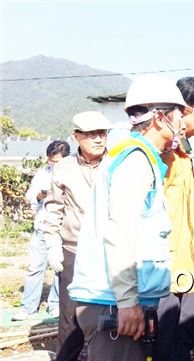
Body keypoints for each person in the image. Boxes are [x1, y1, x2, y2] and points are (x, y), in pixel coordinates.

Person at [67, 75, 185, 361]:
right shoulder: (135, 161)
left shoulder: (137, 157)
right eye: (179, 115)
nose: (182, 123)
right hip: (112, 303)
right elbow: (120, 232)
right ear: (160, 118)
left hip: (115, 301)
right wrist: (128, 302)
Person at [42, 111, 111, 361]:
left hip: (110, 251)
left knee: (110, 317)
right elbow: (53, 208)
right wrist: (52, 244)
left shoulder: (116, 164)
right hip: (74, 250)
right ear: (76, 137)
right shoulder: (64, 167)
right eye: (91, 134)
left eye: (102, 133)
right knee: (71, 319)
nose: (98, 139)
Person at [156, 76, 194, 361]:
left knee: (184, 333)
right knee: (164, 338)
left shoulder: (183, 153)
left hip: (184, 264)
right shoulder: (163, 155)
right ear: (184, 109)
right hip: (164, 267)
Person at [12, 140, 70, 321]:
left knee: (59, 270)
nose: (53, 166)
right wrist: (39, 195)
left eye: (57, 162)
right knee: (34, 268)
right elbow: (30, 195)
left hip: (62, 229)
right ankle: (28, 308)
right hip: (42, 227)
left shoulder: (72, 175)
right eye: (51, 162)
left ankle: (55, 305)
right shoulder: (42, 174)